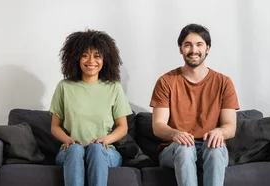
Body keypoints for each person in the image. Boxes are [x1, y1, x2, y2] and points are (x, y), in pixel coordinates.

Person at [149, 23, 240, 186]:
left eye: (199, 44)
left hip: (211, 148)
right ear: (180, 49)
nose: (193, 50)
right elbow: (158, 125)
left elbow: (230, 126)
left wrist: (220, 131)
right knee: (184, 148)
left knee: (215, 148)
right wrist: (175, 134)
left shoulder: (224, 83)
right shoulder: (166, 82)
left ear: (207, 49)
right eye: (187, 45)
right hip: (174, 150)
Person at [49, 29, 132, 186]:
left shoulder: (114, 87)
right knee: (75, 150)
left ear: (105, 59)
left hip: (105, 152)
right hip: (70, 152)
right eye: (85, 55)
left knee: (95, 149)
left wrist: (105, 140)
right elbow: (55, 126)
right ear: (76, 58)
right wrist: (68, 140)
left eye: (97, 55)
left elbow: (122, 127)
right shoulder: (64, 87)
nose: (91, 60)